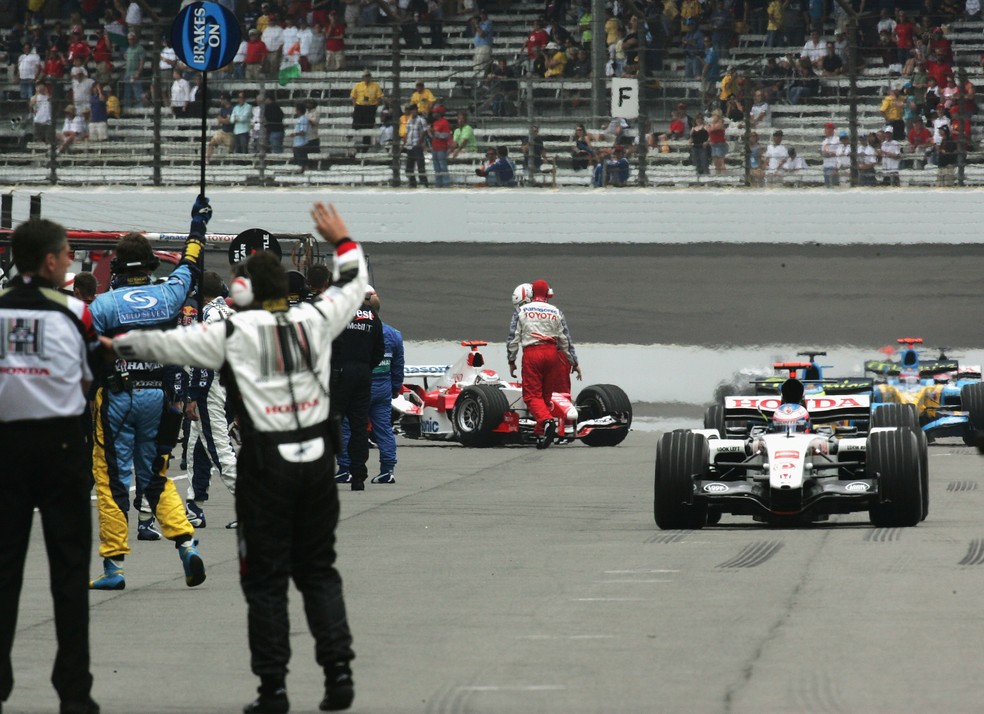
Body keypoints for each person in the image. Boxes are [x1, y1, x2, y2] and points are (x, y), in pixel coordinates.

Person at [104, 202, 364, 714]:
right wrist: (342, 238)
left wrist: (113, 345)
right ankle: (338, 675)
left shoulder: (231, 332)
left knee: (264, 578)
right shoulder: (315, 318)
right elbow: (354, 281)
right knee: (318, 570)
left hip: (267, 466)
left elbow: (163, 344)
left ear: (243, 289)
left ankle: (274, 689)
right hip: (316, 460)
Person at [0, 218, 101, 714]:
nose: (71, 262)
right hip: (60, 446)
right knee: (69, 570)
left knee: (3, 571)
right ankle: (74, 692)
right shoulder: (77, 311)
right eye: (67, 254)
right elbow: (89, 378)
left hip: (5, 446)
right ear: (50, 262)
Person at [87, 196, 212, 591]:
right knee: (155, 477)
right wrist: (197, 226)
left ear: (117, 267)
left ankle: (114, 569)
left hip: (117, 399)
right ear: (150, 265)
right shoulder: (168, 295)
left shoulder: (102, 305)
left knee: (110, 481)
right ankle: (186, 546)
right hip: (158, 399)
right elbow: (190, 264)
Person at [184, 271, 238, 531]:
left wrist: (194, 394)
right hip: (231, 384)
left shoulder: (206, 314)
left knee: (219, 448)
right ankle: (195, 507)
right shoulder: (230, 312)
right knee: (196, 446)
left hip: (211, 387)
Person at [337, 286, 403, 484]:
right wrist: (395, 387)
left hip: (357, 384)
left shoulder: (347, 325)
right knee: (384, 428)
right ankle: (387, 470)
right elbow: (397, 365)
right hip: (382, 387)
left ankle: (345, 468)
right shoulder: (393, 334)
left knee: (348, 427)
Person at [506, 279, 579, 449]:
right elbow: (565, 340)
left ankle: (547, 422)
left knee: (531, 396)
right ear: (547, 293)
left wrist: (511, 360)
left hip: (533, 354)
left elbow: (513, 338)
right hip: (553, 354)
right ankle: (540, 435)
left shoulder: (522, 310)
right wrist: (573, 362)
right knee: (546, 397)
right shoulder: (556, 311)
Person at [402, 103, 429, 188]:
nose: (413, 112)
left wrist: (419, 142)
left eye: (414, 110)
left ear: (416, 111)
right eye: (411, 110)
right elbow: (407, 132)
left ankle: (424, 183)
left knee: (420, 165)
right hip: (410, 146)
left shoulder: (421, 120)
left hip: (417, 145)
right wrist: (404, 143)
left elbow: (424, 131)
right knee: (409, 166)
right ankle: (412, 182)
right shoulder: (409, 121)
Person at [207, 93, 235, 162]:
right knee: (211, 143)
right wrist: (224, 120)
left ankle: (229, 163)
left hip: (230, 133)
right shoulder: (222, 109)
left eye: (222, 99)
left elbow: (228, 122)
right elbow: (219, 121)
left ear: (226, 100)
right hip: (223, 131)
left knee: (230, 150)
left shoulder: (232, 109)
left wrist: (223, 120)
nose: (221, 100)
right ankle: (207, 160)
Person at [430, 105, 452, 187]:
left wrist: (435, 134)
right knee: (436, 167)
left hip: (441, 148)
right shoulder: (435, 123)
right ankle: (438, 183)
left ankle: (446, 183)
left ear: (439, 113)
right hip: (435, 147)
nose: (433, 114)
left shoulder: (444, 122)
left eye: (435, 112)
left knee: (443, 166)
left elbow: (446, 135)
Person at [820, 121, 840, 187]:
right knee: (827, 186)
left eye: (827, 128)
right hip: (826, 165)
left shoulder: (837, 140)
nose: (825, 130)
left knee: (834, 186)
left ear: (832, 130)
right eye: (825, 128)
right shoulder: (824, 141)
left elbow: (838, 153)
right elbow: (823, 153)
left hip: (833, 165)